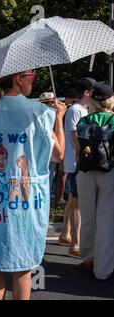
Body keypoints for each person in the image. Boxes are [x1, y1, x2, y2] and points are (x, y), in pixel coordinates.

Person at [0, 69, 66, 300]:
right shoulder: (40, 112)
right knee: (23, 265)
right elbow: (58, 155)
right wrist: (58, 118)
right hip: (26, 202)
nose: (33, 82)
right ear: (19, 80)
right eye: (31, 78)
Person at [76, 83, 114, 280]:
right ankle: (103, 269)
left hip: (84, 171)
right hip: (108, 172)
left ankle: (88, 258)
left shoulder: (83, 120)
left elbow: (77, 150)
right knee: (106, 221)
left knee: (88, 216)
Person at [59, 78, 95, 256]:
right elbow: (75, 135)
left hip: (76, 161)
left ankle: (65, 233)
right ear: (87, 92)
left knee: (73, 199)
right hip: (76, 161)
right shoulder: (75, 110)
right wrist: (82, 154)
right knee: (77, 202)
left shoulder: (82, 109)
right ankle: (75, 242)